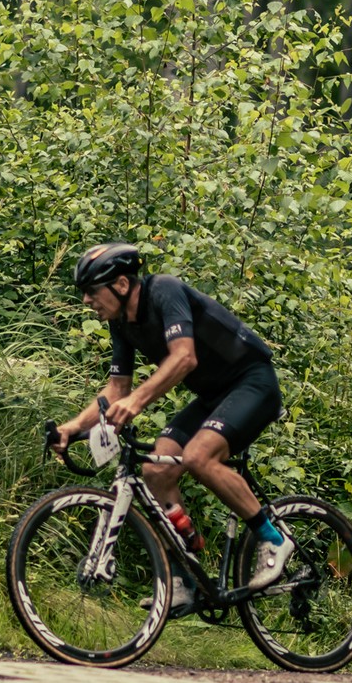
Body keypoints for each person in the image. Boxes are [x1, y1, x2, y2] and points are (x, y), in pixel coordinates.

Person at [47, 243, 289, 613]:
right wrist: (71, 427)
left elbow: (185, 357)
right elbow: (116, 390)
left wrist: (137, 402)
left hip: (252, 382)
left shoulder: (164, 290)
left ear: (122, 285)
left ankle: (272, 538)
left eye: (91, 291)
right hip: (214, 396)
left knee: (198, 457)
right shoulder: (121, 324)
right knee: (156, 469)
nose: (85, 300)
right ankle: (184, 580)